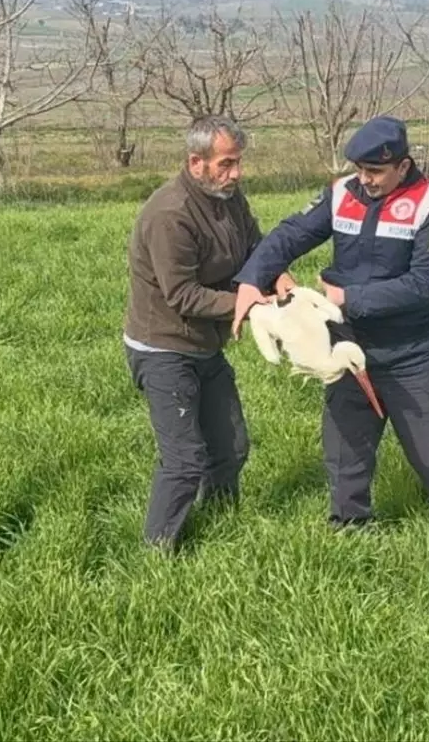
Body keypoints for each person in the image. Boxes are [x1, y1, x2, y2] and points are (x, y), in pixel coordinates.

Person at [230, 115, 429, 528]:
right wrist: (251, 282)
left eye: (376, 171)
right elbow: (290, 235)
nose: (366, 179)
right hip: (347, 346)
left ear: (403, 165)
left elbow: (422, 285)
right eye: (360, 169)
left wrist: (347, 298)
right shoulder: (343, 192)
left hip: (411, 353)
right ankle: (349, 531)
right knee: (345, 454)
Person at [123, 115, 292, 551]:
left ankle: (219, 525)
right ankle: (157, 554)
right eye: (226, 164)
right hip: (163, 346)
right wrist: (252, 306)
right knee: (184, 461)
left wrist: (278, 277)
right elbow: (182, 295)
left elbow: (256, 249)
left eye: (238, 163)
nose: (236, 173)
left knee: (231, 446)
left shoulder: (229, 198)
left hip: (205, 345)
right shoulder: (170, 214)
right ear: (196, 162)